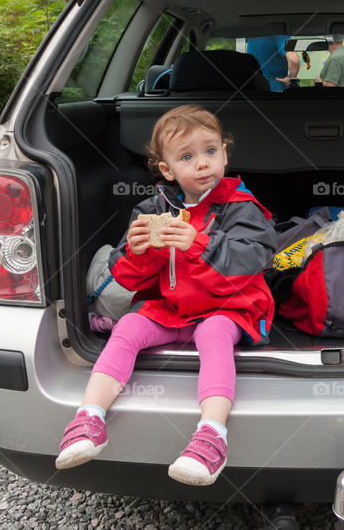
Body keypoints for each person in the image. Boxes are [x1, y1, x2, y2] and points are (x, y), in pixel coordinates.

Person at [55, 105, 277, 487]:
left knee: (212, 334)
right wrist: (137, 252)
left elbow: (253, 259)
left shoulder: (241, 206)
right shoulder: (153, 209)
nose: (203, 164)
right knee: (128, 327)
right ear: (167, 170)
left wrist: (201, 244)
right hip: (174, 307)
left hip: (230, 307)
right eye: (187, 157)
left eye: (210, 151)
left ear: (225, 153)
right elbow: (127, 274)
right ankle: (89, 418)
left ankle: (212, 435)